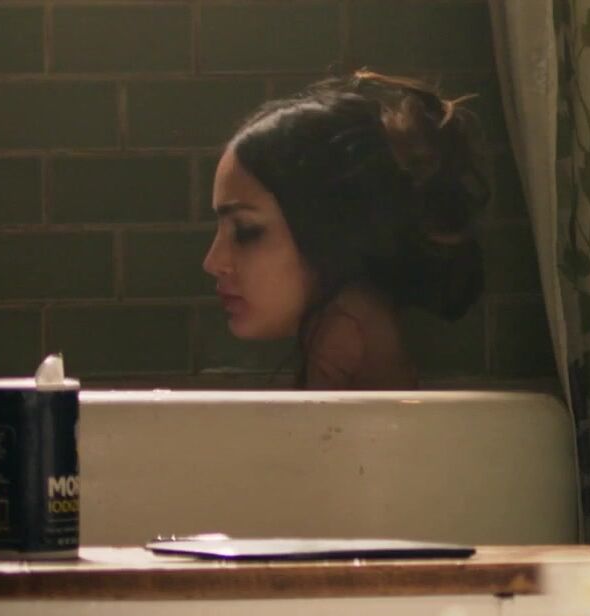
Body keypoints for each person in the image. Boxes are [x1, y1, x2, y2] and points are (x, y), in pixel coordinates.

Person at [202, 71, 489, 389]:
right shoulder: (361, 314)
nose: (213, 262)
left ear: (329, 227)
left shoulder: (345, 326)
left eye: (245, 231)